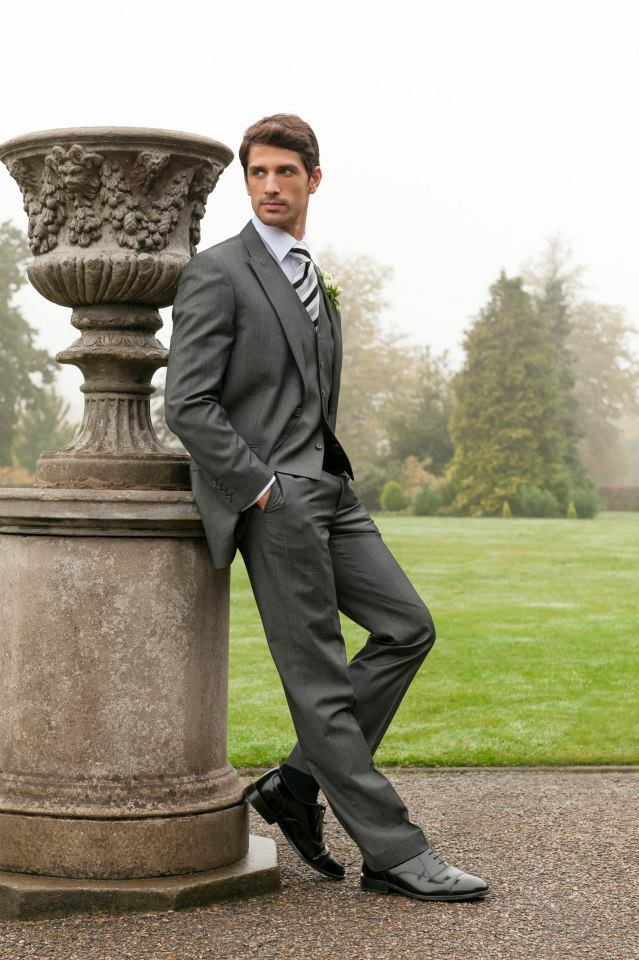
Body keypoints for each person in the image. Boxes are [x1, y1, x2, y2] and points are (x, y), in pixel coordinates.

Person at [164, 113, 488, 902]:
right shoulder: (217, 271)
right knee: (318, 681)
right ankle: (394, 851)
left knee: (407, 627)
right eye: (258, 173)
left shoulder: (311, 277)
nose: (270, 186)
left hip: (328, 490)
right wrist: (261, 487)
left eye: (285, 172)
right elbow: (188, 403)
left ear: (313, 179)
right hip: (275, 500)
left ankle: (297, 784)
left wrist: (317, 478)